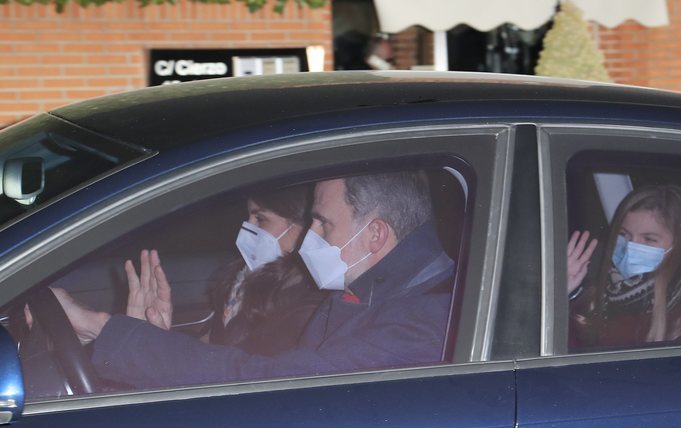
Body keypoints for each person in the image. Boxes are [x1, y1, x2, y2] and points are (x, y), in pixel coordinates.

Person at [51, 171, 455, 389]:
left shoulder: (419, 324)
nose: (307, 239)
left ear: (376, 235)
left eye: (322, 222)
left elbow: (269, 384)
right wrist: (153, 336)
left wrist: (101, 326)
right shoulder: (366, 293)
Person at [125, 184, 322, 356]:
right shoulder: (244, 280)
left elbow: (232, 371)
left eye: (260, 219)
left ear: (302, 226)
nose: (246, 229)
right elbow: (212, 346)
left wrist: (158, 347)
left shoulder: (307, 306)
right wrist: (159, 335)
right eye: (248, 217)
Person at [567, 185, 681, 347]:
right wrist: (568, 293)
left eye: (649, 239)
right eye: (624, 235)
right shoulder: (603, 291)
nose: (631, 246)